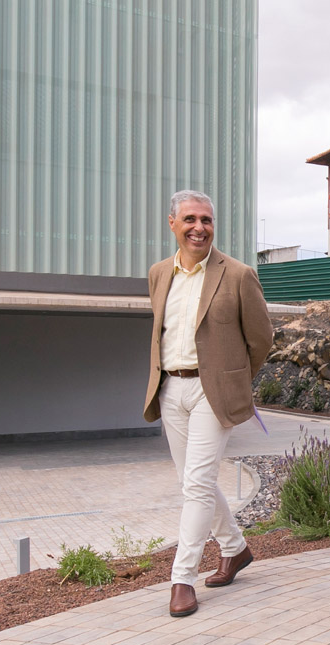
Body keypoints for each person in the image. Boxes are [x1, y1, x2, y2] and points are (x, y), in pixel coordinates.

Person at [143, 190, 274, 617]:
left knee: (197, 485)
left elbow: (262, 339)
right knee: (192, 481)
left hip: (211, 392)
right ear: (173, 223)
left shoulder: (237, 274)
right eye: (190, 219)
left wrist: (232, 380)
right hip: (170, 389)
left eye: (207, 220)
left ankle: (182, 578)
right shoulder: (159, 273)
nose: (199, 227)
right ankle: (234, 548)